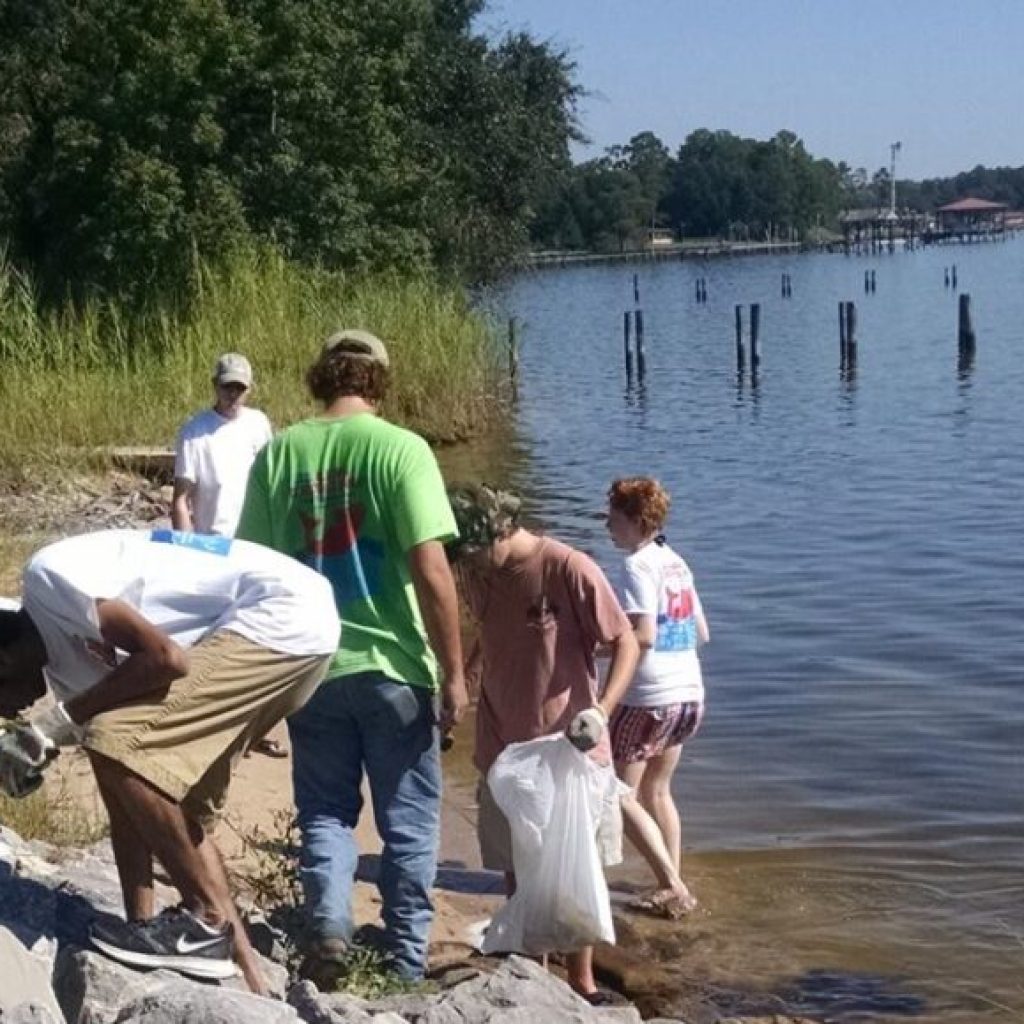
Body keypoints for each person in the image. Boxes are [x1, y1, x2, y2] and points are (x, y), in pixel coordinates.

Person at [0, 528, 340, 993]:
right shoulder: (69, 671)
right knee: (172, 802)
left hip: (281, 612)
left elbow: (167, 658)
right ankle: (245, 974)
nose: (10, 713)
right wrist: (136, 926)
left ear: (3, 662)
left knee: (119, 742)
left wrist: (54, 725)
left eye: (1, 701)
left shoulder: (49, 580)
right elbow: (119, 787)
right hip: (295, 634)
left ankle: (207, 923)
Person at [235, 328, 467, 983]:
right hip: (395, 667)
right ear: (378, 382)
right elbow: (432, 569)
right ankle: (404, 963)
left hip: (311, 670)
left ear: (322, 376)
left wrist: (261, 677)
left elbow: (255, 572)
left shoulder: (280, 453)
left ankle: (331, 929)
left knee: (327, 812)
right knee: (410, 823)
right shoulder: (402, 450)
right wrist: (454, 674)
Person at [446, 483, 640, 1005]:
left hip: (568, 749)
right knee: (517, 866)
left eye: (468, 555)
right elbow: (490, 633)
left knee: (577, 871)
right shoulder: (482, 574)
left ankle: (582, 983)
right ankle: (531, 977)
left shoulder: (567, 567)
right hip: (501, 750)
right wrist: (461, 685)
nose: (466, 568)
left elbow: (625, 641)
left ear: (497, 532)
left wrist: (601, 712)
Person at [605, 477, 709, 916]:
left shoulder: (636, 566)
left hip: (649, 697)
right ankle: (671, 884)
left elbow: (643, 635)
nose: (607, 526)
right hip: (689, 694)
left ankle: (673, 885)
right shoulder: (675, 562)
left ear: (633, 520)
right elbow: (701, 632)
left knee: (616, 795)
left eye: (612, 518)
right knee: (658, 793)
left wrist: (596, 648)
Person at [172, 353, 273, 538]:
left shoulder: (259, 424)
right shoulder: (194, 432)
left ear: (249, 389)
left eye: (239, 388)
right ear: (215, 385)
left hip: (255, 541)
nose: (233, 394)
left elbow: (271, 486)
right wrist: (186, 549)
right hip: (213, 541)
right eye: (227, 387)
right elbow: (181, 501)